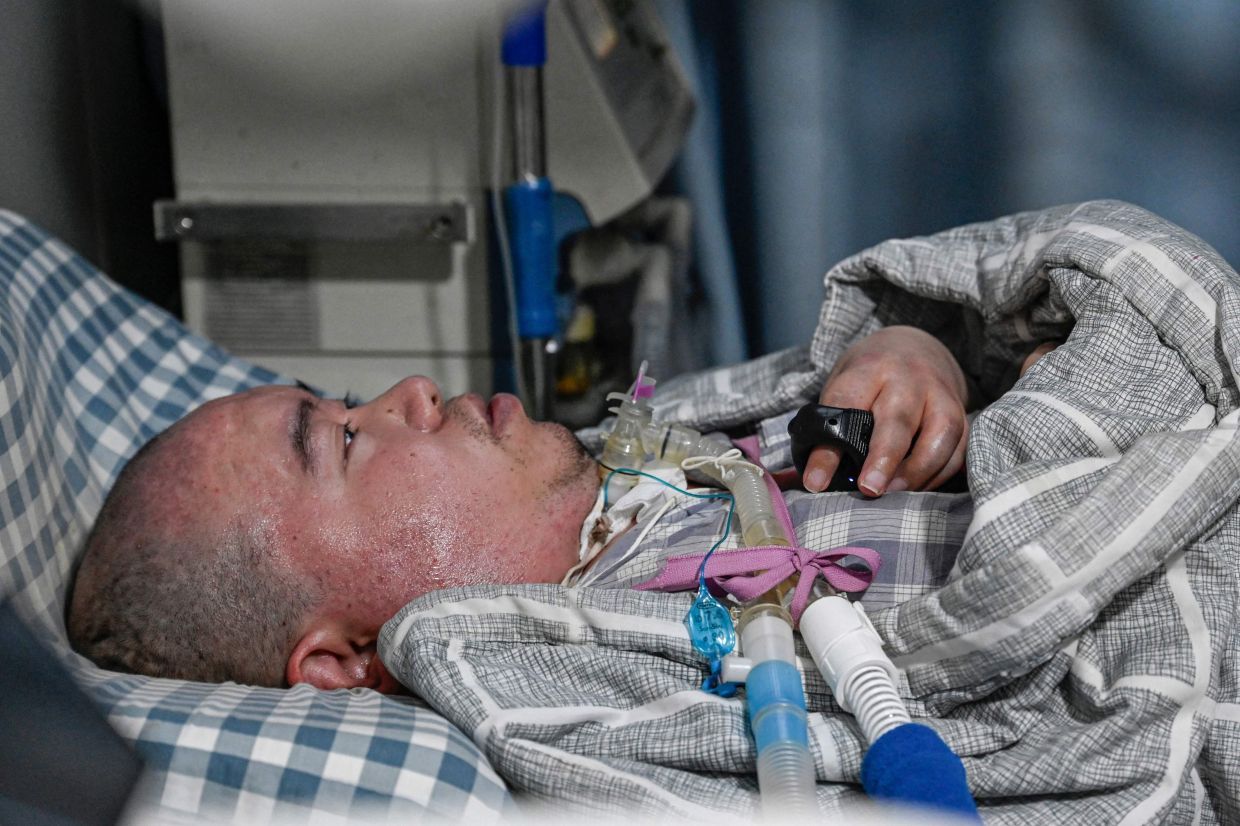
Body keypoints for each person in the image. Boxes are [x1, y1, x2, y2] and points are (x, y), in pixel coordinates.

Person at [68, 323, 1048, 692]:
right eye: (345, 439)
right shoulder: (613, 695)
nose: (412, 390)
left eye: (347, 397)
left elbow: (958, 332)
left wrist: (922, 356)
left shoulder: (644, 462)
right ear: (338, 659)